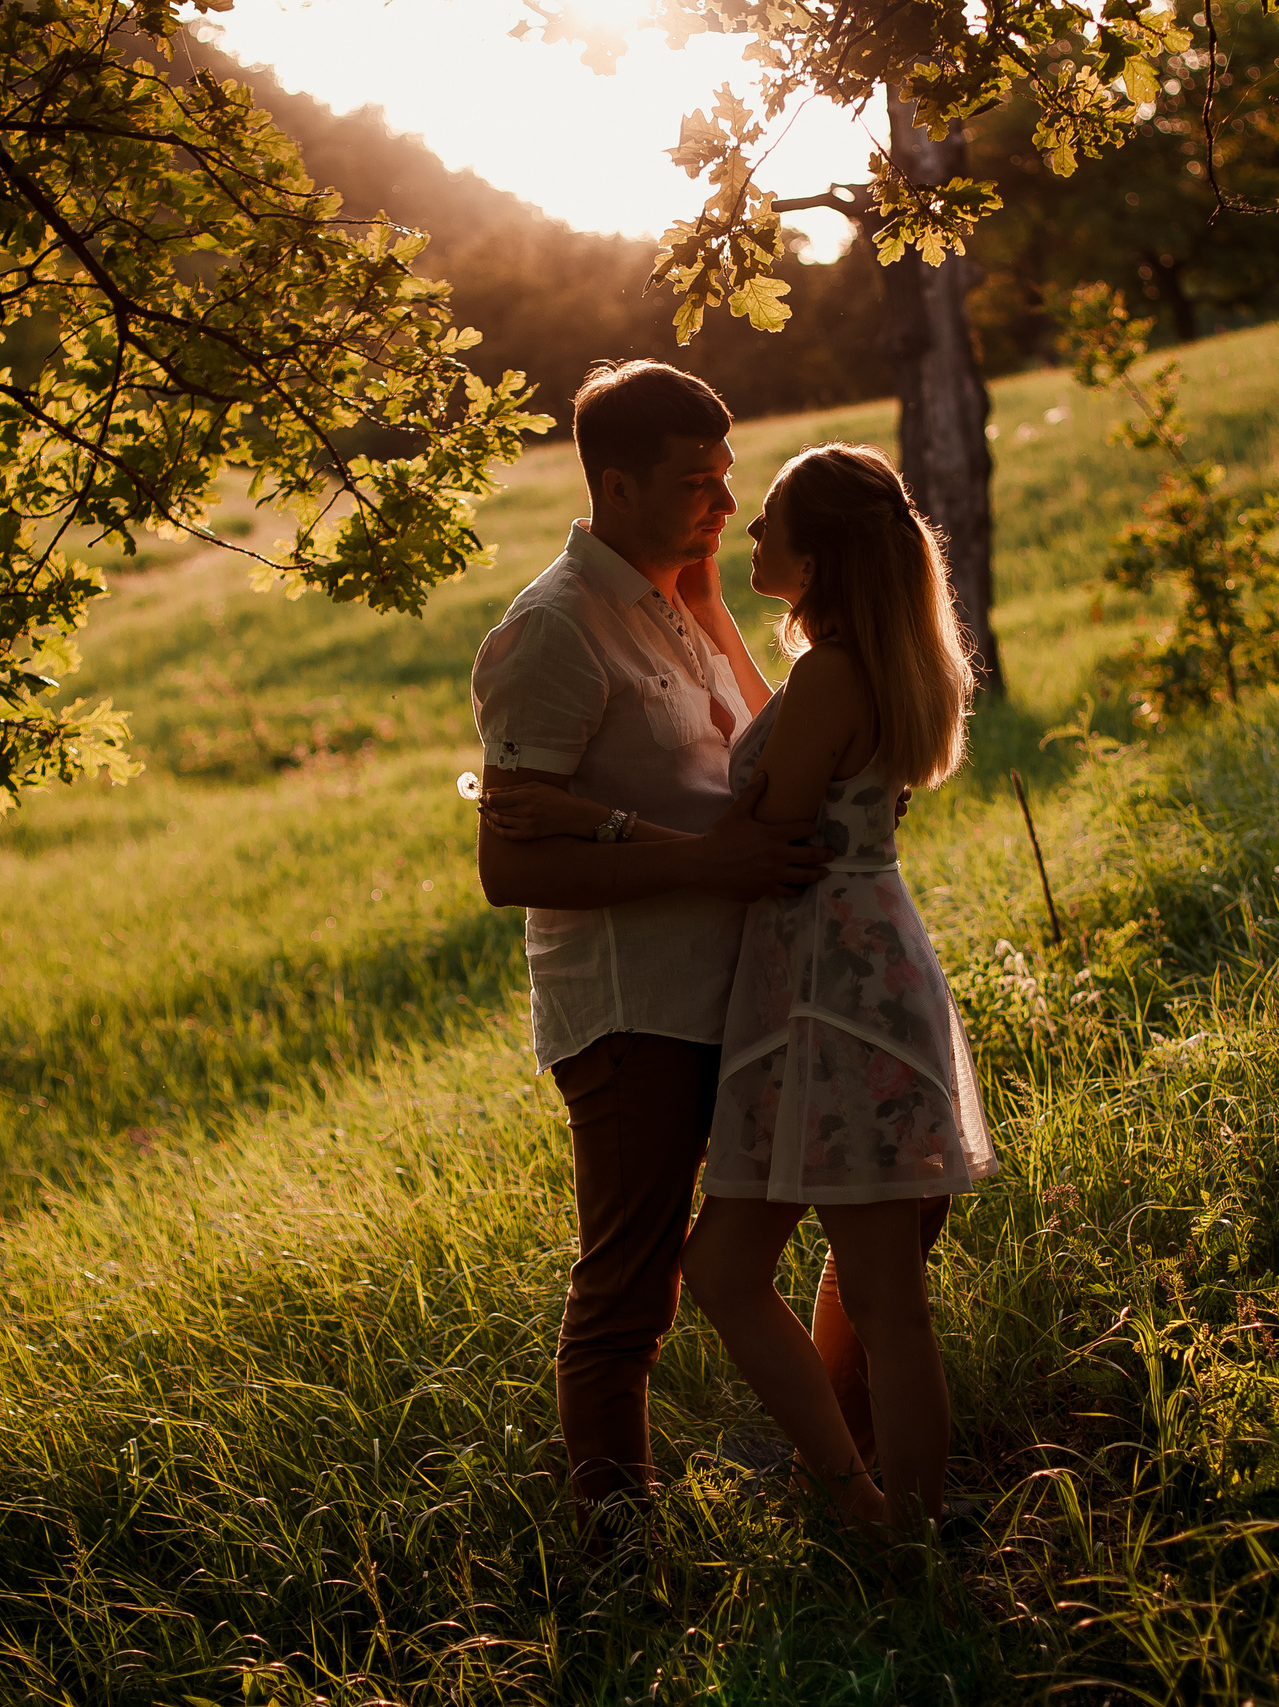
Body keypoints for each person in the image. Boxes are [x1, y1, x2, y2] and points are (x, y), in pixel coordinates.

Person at [485, 443, 996, 1538]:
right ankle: (856, 1496)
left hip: (830, 985)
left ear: (814, 556)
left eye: (766, 521)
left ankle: (905, 1530)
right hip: (824, 973)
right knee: (725, 1266)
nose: (743, 531)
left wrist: (592, 820)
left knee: (884, 1303)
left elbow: (756, 821)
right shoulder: (866, 662)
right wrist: (719, 616)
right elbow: (782, 764)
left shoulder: (833, 674)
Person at [469, 360, 830, 1519]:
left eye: (727, 480)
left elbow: (755, 754)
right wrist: (701, 863)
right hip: (632, 1012)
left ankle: (844, 1467)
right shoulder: (552, 632)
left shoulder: (679, 593)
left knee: (857, 1205)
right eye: (696, 485)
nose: (726, 506)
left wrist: (714, 591)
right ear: (614, 487)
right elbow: (509, 865)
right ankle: (619, 1561)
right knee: (628, 1291)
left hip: (735, 985)